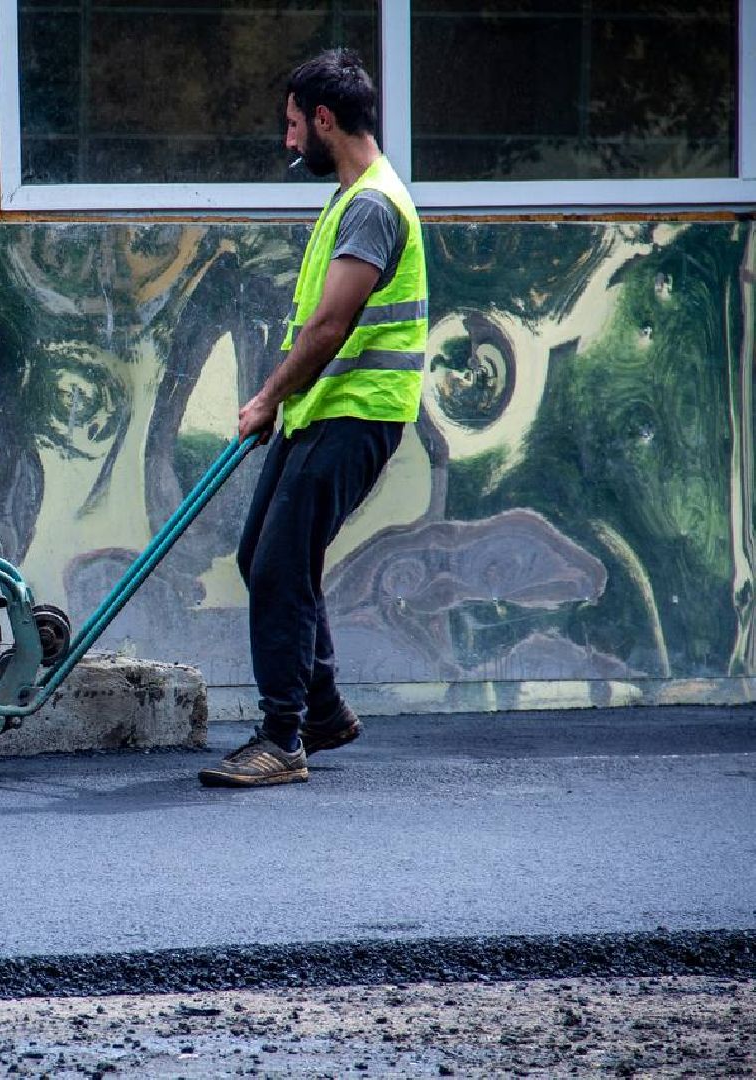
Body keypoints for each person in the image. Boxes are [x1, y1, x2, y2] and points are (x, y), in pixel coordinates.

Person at [199, 49, 427, 788]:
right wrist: (284, 402)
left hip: (357, 412)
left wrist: (267, 396)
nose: (289, 138)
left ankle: (282, 738)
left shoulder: (371, 205)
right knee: (260, 558)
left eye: (295, 124)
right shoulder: (352, 197)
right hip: (322, 409)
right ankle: (322, 711)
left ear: (324, 119)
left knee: (278, 567)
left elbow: (330, 325)